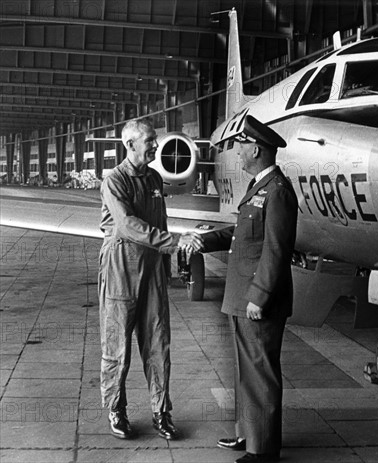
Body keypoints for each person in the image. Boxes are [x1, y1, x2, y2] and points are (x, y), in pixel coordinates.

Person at [198, 115, 298, 463]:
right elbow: (240, 234)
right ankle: (249, 434)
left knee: (260, 373)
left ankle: (263, 451)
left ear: (255, 149)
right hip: (242, 297)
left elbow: (275, 249)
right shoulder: (259, 187)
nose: (237, 153)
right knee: (246, 372)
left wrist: (259, 296)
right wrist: (204, 240)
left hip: (257, 300)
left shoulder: (278, 192)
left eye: (241, 146)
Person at [98, 117, 202, 440]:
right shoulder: (114, 181)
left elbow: (160, 222)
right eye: (150, 141)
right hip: (121, 269)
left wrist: (173, 260)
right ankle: (117, 409)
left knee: (158, 342)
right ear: (130, 145)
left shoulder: (155, 178)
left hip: (153, 269)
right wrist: (175, 243)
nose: (156, 145)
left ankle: (161, 411)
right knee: (118, 346)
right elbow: (127, 226)